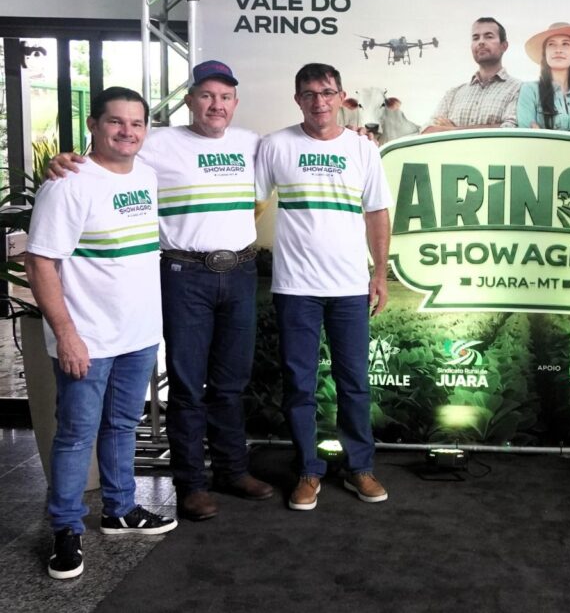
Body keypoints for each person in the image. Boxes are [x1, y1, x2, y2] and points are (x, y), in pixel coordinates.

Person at [46, 61, 273, 522]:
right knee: (187, 386)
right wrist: (65, 158)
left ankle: (232, 470)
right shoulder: (156, 142)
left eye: (225, 97)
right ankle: (191, 485)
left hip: (240, 271)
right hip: (185, 274)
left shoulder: (253, 143)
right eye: (206, 95)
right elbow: (107, 156)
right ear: (189, 100)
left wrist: (358, 137)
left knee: (231, 382)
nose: (216, 105)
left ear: (235, 103)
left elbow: (303, 147)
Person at [26, 87, 178, 580]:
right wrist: (66, 334)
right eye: (116, 121)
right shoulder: (68, 184)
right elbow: (39, 262)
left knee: (121, 427)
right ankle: (66, 528)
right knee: (75, 435)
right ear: (93, 125)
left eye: (136, 123)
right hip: (87, 338)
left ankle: (120, 509)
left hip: (138, 334)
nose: (127, 132)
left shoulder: (146, 175)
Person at [255, 62, 392, 511]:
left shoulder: (362, 149)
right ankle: (308, 471)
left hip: (350, 286)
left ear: (340, 97)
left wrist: (379, 274)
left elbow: (377, 212)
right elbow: (251, 204)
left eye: (327, 92)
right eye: (310, 94)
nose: (319, 101)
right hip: (295, 287)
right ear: (298, 99)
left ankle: (359, 467)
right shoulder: (275, 145)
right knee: (299, 383)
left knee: (354, 382)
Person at [422, 17, 521, 133]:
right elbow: (426, 130)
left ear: (504, 46)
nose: (481, 42)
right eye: (475, 38)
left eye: (489, 36)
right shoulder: (453, 94)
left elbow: (510, 129)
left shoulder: (518, 89)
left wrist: (452, 130)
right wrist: (493, 126)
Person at [516, 22, 570, 134]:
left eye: (565, 44)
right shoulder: (530, 90)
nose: (558, 50)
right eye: (551, 44)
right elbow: (528, 134)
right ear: (545, 53)